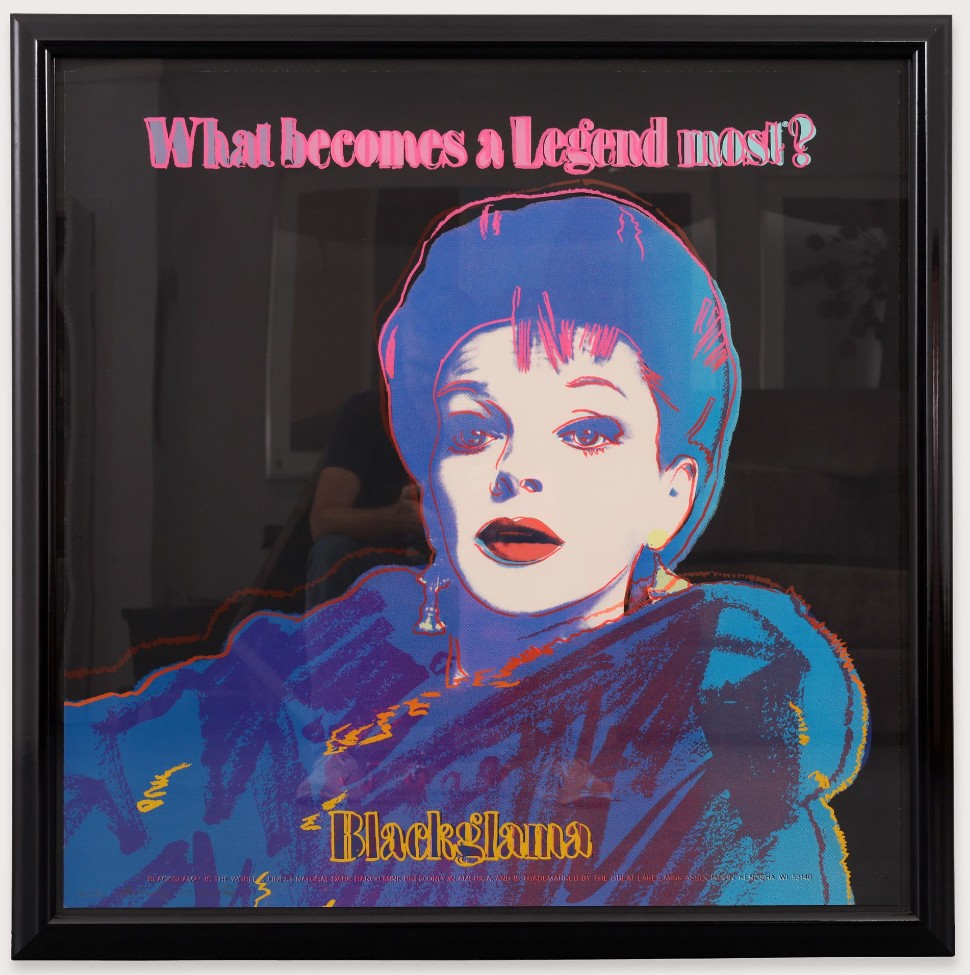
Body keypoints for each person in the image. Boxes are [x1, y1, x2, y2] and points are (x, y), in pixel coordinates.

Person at [64, 187, 867, 909]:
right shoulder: (348, 645)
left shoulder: (725, 776)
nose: (517, 470)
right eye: (476, 429)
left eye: (587, 431)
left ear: (673, 492)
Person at [304, 387, 429, 609]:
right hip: (380, 559)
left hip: (457, 564)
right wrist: (397, 518)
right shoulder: (367, 411)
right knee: (331, 551)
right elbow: (322, 520)